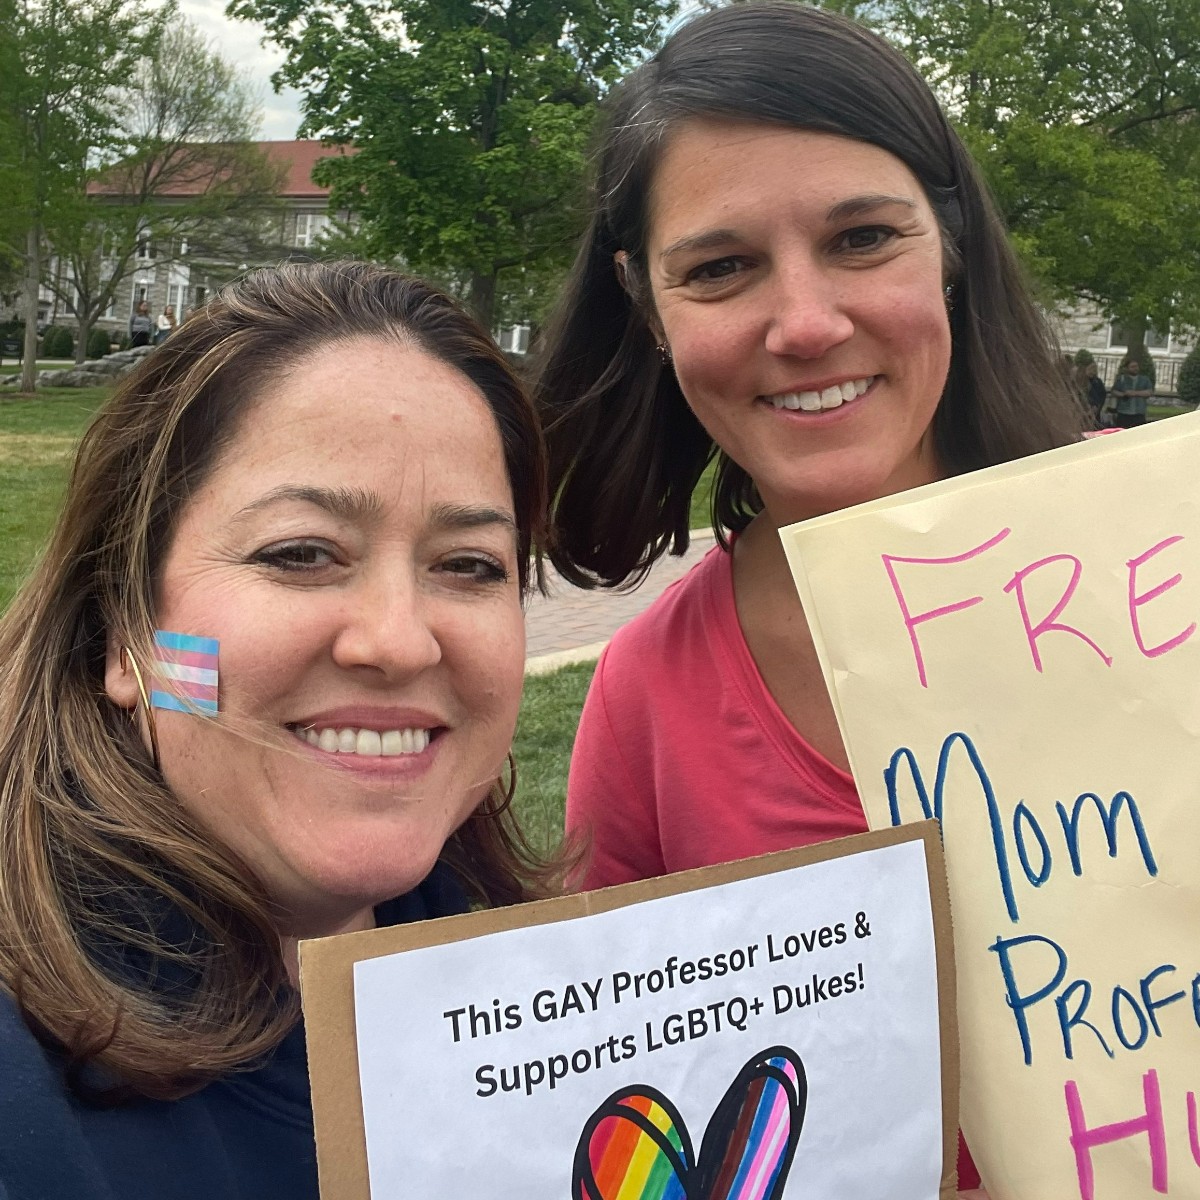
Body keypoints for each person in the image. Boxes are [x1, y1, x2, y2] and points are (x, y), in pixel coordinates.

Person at [534, 4, 1086, 1192]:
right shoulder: (647, 696)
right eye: (721, 268)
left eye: (863, 238)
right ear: (647, 305)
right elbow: (628, 1108)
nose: (806, 323)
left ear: (949, 245)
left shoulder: (1165, 554)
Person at [0, 261, 553, 1198]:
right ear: (124, 632)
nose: (399, 641)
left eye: (468, 565)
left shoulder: (530, 995)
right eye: (300, 553)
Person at [1111, 357, 1154, 427]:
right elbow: (1114, 391)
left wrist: (1135, 393)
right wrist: (1123, 394)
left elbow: (1149, 392)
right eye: (1132, 367)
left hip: (1139, 412)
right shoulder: (1121, 379)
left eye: (1136, 366)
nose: (1135, 368)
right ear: (1127, 368)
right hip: (1124, 412)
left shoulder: (1145, 379)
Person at [1076, 360, 1107, 427]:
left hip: (1094, 413)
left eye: (1094, 369)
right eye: (1090, 369)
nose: (1092, 371)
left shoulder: (1098, 382)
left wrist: (1097, 407)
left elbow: (1103, 396)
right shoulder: (1079, 381)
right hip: (1081, 412)